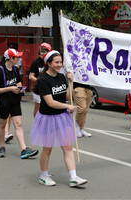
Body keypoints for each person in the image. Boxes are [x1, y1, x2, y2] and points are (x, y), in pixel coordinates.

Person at [29, 51, 87, 187]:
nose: (59, 65)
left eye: (60, 62)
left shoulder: (61, 76)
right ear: (48, 63)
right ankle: (43, 175)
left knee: (67, 146)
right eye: (56, 62)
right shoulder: (43, 80)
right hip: (48, 118)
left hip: (62, 117)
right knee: (47, 149)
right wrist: (68, 107)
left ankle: (73, 176)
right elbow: (50, 102)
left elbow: (67, 96)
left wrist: (71, 82)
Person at [0, 48, 39, 158]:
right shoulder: (0, 70)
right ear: (10, 58)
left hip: (15, 100)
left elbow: (18, 81)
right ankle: (2, 146)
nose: (19, 58)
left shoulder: (15, 69)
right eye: (17, 57)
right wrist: (10, 88)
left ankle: (23, 149)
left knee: (18, 123)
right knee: (2, 124)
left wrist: (19, 87)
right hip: (3, 101)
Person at [29, 43, 52, 117]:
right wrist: (40, 82)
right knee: (37, 107)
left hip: (49, 87)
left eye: (45, 51)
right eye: (41, 51)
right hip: (38, 87)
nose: (42, 53)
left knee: (49, 106)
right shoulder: (36, 62)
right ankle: (37, 124)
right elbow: (31, 76)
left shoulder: (50, 62)